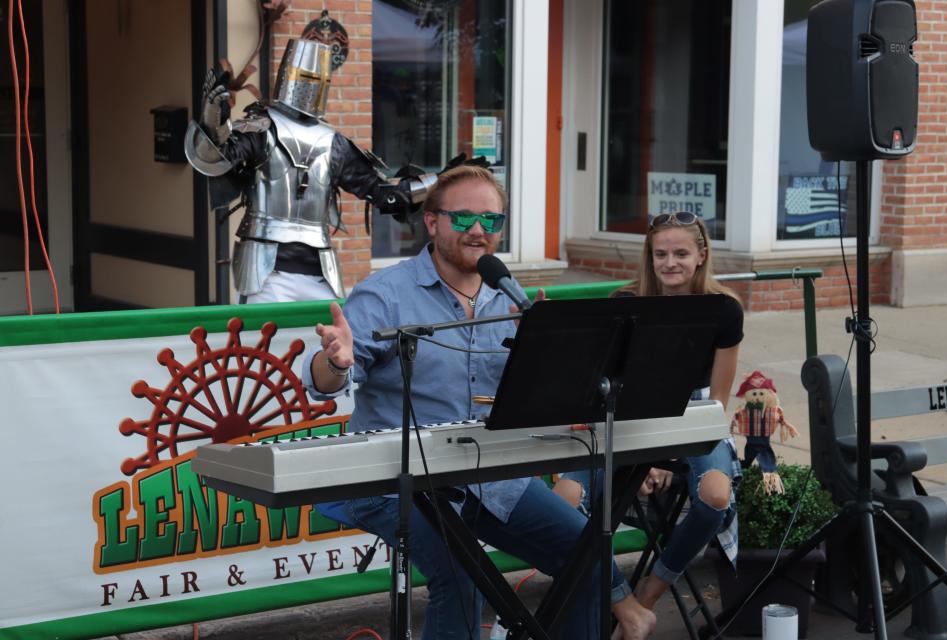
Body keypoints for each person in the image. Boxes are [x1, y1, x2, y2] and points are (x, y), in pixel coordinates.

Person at [301, 165, 657, 640]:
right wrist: (337, 360)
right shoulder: (386, 294)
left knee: (587, 555)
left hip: (488, 475)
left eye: (491, 221)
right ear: (431, 222)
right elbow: (325, 379)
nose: (477, 231)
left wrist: (544, 354)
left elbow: (531, 395)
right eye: (463, 218)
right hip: (396, 478)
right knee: (459, 573)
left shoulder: (506, 296)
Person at [554, 210, 744, 615]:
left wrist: (664, 452)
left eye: (680, 252)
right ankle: (615, 596)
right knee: (563, 502)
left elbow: (718, 402)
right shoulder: (625, 302)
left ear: (701, 254)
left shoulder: (724, 308)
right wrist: (645, 455)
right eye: (660, 254)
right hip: (625, 412)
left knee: (715, 496)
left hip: (694, 409)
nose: (669, 263)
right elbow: (603, 381)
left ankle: (649, 593)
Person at [185, 37, 447, 303]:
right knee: (264, 343)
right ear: (288, 74)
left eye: (317, 77)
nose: (310, 84)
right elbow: (215, 158)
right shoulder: (261, 128)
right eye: (304, 75)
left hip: (320, 272)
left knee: (331, 342)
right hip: (266, 274)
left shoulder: (335, 143)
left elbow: (383, 193)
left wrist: (443, 181)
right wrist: (213, 122)